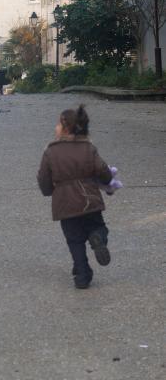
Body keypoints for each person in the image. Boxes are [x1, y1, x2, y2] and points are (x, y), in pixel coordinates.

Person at [37, 105, 113, 289]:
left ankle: (82, 275)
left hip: (65, 205)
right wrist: (107, 180)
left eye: (58, 123)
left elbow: (44, 178)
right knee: (98, 227)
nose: (56, 127)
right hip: (89, 200)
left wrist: (49, 191)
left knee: (74, 240)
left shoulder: (51, 151)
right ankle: (97, 237)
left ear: (65, 127)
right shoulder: (88, 148)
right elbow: (103, 170)